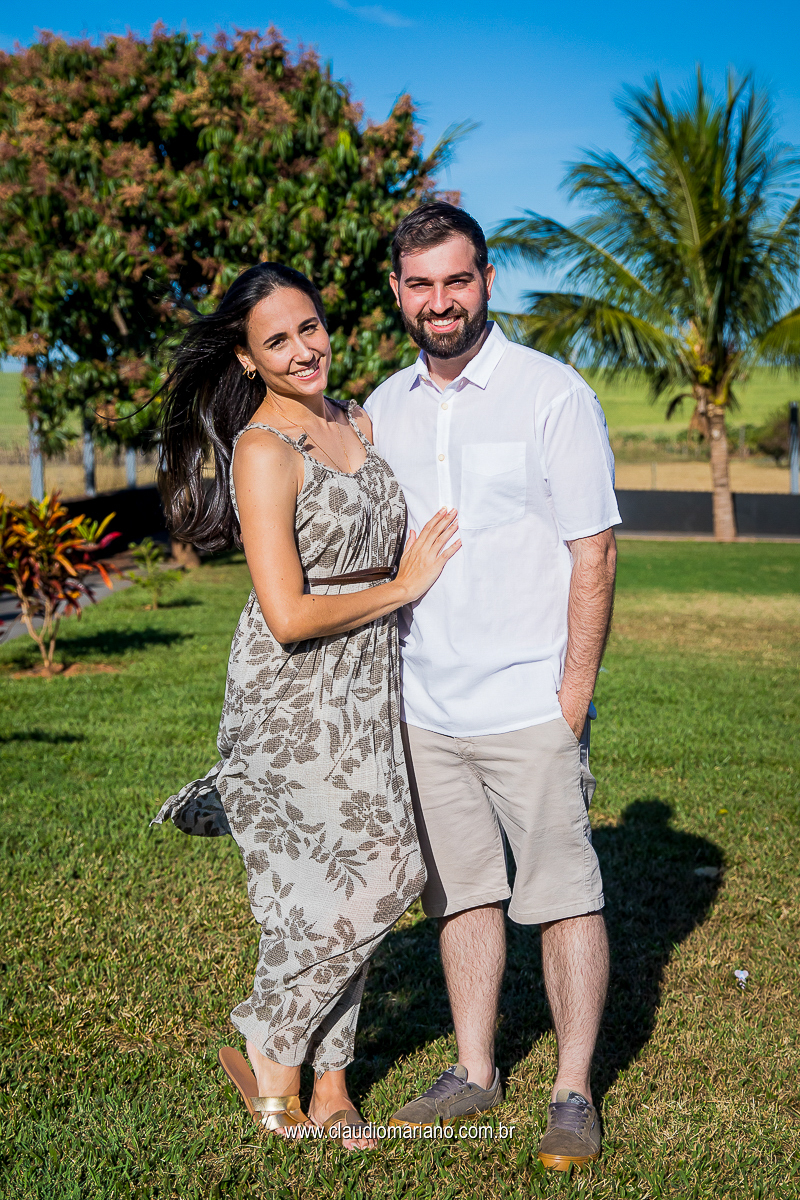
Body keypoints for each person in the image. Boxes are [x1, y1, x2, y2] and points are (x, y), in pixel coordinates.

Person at [151, 262, 460, 1149]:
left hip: (368, 682)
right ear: (247, 360)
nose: (301, 350)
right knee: (374, 876)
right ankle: (275, 1044)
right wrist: (402, 588)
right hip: (292, 695)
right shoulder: (262, 450)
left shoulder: (357, 420)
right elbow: (285, 614)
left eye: (310, 327)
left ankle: (331, 1085)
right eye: (277, 341)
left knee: (341, 883)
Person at [364, 202, 620, 1170]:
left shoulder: (550, 394)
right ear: (398, 292)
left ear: (486, 280)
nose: (440, 302)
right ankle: (474, 1070)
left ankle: (572, 1090)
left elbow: (593, 551)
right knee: (461, 895)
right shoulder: (383, 407)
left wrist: (569, 699)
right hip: (425, 709)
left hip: (528, 707)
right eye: (420, 284)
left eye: (456, 280)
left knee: (564, 896)